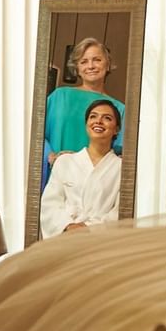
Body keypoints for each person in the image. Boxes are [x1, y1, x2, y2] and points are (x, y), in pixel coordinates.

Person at [42, 38, 127, 191]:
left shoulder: (119, 108)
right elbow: (36, 135)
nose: (90, 66)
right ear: (77, 68)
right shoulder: (59, 96)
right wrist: (51, 156)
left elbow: (118, 152)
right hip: (55, 175)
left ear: (107, 65)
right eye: (84, 62)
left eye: (97, 60)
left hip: (95, 183)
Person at [40, 100, 123, 237]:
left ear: (116, 129)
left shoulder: (121, 168)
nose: (98, 121)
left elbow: (119, 212)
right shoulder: (64, 162)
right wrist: (69, 226)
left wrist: (89, 229)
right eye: (93, 116)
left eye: (107, 118)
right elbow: (50, 204)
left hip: (101, 241)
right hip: (65, 239)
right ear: (86, 125)